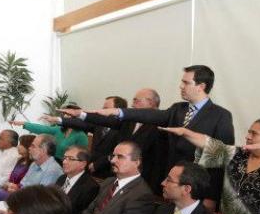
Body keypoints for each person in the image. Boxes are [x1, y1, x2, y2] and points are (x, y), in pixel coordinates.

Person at [77, 66, 234, 204]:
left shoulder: (221, 116)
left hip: (196, 189)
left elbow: (221, 160)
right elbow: (149, 116)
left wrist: (211, 197)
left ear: (201, 86)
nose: (181, 86)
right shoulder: (177, 109)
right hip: (169, 185)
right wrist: (119, 112)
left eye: (186, 82)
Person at [57, 90, 165, 190]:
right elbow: (99, 121)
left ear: (150, 103)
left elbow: (157, 160)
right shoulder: (129, 121)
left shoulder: (160, 125)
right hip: (116, 175)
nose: (132, 104)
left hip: (141, 181)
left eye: (136, 100)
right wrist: (79, 115)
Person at [68, 140, 155, 214]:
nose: (113, 160)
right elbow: (88, 213)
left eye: (120, 157)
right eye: (113, 156)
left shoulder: (141, 194)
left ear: (136, 162)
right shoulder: (108, 182)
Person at [12, 106, 89, 160]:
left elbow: (82, 156)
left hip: (67, 164)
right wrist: (24, 124)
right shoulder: (59, 129)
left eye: (69, 114)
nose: (65, 116)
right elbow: (43, 129)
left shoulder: (81, 135)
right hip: (53, 161)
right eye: (64, 114)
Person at [55, 146, 100, 214]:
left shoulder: (90, 187)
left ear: (83, 164)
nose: (64, 162)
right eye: (64, 158)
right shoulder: (61, 178)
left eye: (70, 159)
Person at [0, 134, 35, 201]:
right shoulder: (20, 160)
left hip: (17, 193)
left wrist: (12, 187)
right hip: (7, 188)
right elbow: (9, 177)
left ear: (28, 146)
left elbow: (25, 185)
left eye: (21, 144)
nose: (18, 147)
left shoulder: (32, 164)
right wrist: (6, 185)